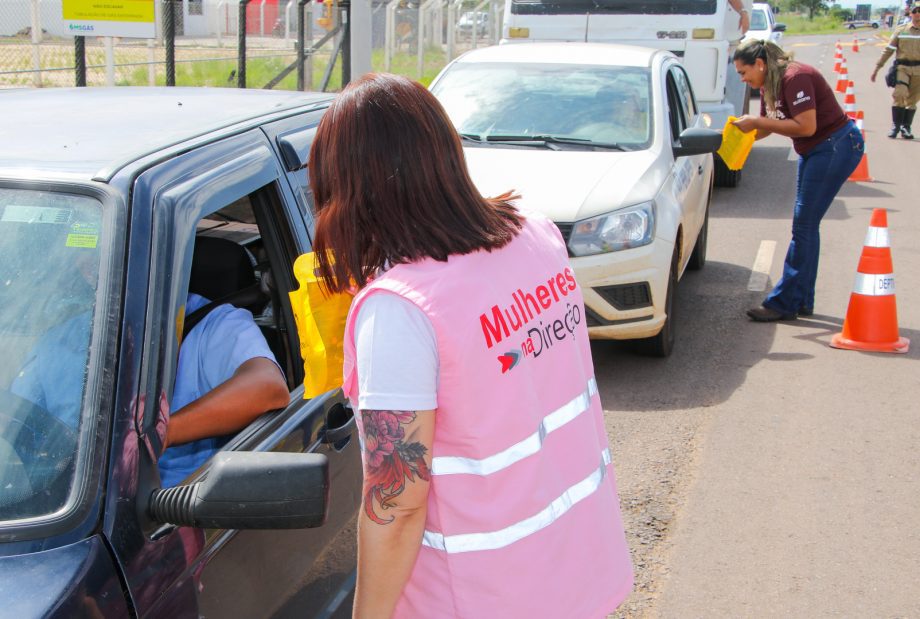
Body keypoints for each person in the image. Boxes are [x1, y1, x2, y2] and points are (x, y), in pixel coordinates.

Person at [308, 73, 633, 619]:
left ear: (346, 190)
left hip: (481, 596)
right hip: (579, 567)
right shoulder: (537, 236)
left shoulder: (401, 309)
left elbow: (397, 505)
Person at [12, 278, 289, 488]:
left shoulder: (213, 325)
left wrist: (160, 434)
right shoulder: (59, 340)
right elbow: (12, 427)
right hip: (70, 510)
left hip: (173, 511)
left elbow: (268, 387)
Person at [731, 40, 864, 322]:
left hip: (835, 146)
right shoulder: (770, 82)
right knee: (806, 225)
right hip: (817, 149)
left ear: (760, 64)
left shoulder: (795, 77)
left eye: (744, 72)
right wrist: (729, 143)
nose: (743, 79)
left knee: (803, 225)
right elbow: (767, 127)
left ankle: (784, 302)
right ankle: (801, 299)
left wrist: (756, 122)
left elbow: (806, 126)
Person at [870, 1, 920, 139]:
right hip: (902, 67)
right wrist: (877, 68)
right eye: (915, 11)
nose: (917, 14)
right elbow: (888, 50)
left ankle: (906, 127)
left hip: (919, 70)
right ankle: (896, 126)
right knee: (899, 94)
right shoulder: (901, 30)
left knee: (912, 100)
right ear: (910, 13)